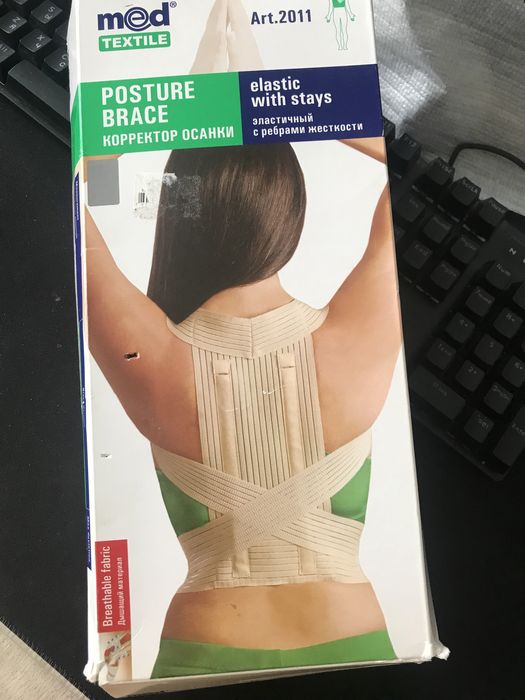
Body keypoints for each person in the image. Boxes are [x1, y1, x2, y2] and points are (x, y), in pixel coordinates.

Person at [84, 0, 402, 678]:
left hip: (204, 649)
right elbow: (407, 175)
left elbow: (73, 194)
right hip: (353, 640)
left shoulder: (152, 358)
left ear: (178, 214)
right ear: (291, 209)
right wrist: (282, 101)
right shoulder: (357, 337)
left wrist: (171, 112)